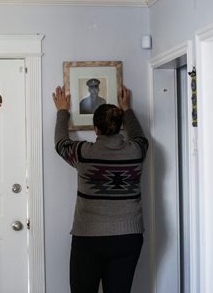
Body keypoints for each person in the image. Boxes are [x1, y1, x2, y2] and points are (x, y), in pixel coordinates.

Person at [52, 85, 148, 293]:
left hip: (89, 238)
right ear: (120, 126)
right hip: (128, 237)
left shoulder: (84, 153)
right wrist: (127, 108)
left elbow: (60, 143)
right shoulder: (137, 151)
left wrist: (62, 111)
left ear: (96, 129)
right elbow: (139, 135)